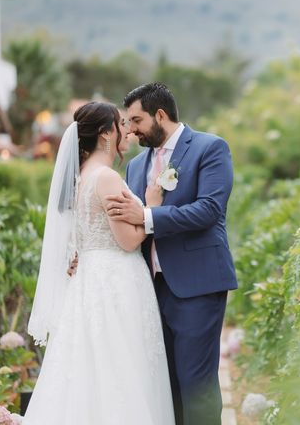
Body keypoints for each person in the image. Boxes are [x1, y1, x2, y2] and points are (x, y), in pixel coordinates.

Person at [25, 102, 175, 424]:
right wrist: (149, 207)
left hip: (89, 280)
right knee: (121, 368)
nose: (128, 132)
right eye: (122, 124)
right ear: (107, 133)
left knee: (90, 368)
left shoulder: (81, 177)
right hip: (116, 281)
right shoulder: (106, 177)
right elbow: (127, 241)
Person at [101, 83, 237, 425]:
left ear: (160, 114)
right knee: (165, 386)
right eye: (127, 122)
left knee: (196, 385)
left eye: (136, 120)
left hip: (197, 284)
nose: (130, 129)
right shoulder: (135, 167)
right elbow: (126, 225)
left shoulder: (210, 148)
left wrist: (147, 216)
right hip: (148, 289)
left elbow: (209, 210)